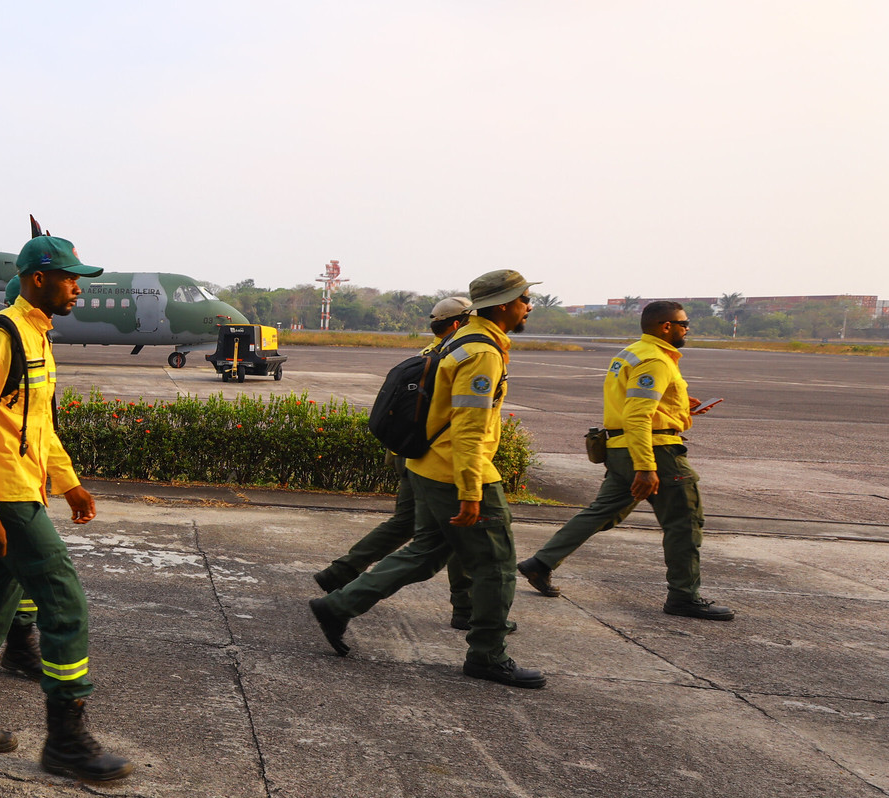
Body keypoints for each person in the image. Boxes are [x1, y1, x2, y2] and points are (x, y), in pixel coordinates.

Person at [0, 235, 132, 783]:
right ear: (38, 278)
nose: (77, 288)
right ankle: (67, 740)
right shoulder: (1, 338)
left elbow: (35, 428)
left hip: (24, 488)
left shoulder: (37, 337)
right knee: (65, 602)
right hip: (7, 498)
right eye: (70, 278)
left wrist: (69, 484)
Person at [308, 270, 546, 689]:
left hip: (428, 466)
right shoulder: (483, 353)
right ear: (506, 303)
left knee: (425, 553)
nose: (529, 306)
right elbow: (470, 429)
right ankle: (488, 654)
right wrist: (472, 491)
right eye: (526, 298)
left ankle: (339, 604)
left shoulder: (457, 341)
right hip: (458, 473)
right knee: (496, 565)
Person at [519, 301, 732, 620]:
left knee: (601, 512)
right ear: (665, 327)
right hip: (653, 450)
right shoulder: (655, 359)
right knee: (685, 521)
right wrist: (646, 467)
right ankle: (683, 596)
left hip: (619, 449)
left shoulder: (631, 353)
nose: (687, 328)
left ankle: (541, 563)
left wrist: (680, 410)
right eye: (684, 323)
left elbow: (631, 404)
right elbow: (637, 414)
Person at [311, 296, 478, 631]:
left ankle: (341, 572)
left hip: (409, 455)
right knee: (462, 530)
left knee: (405, 523)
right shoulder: (456, 359)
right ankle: (466, 607)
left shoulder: (426, 355)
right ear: (458, 324)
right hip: (436, 460)